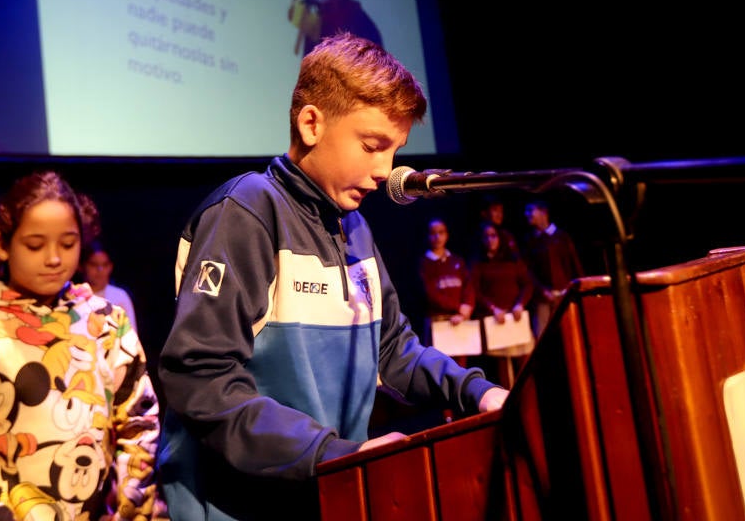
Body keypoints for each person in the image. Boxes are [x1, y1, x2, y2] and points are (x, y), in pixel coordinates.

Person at [156, 32, 508, 520]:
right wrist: (329, 455)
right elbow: (201, 379)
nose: (387, 170)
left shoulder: (354, 226)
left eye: (395, 150)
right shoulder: (248, 211)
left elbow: (393, 352)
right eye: (371, 145)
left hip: (330, 494)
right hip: (238, 507)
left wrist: (480, 392)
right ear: (311, 123)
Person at [0, 170, 166, 521]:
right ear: (2, 244)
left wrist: (126, 510)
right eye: (35, 245)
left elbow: (138, 424)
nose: (54, 258)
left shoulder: (106, 322)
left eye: (68, 244)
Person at [469, 221, 536, 390]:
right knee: (504, 374)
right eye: (486, 237)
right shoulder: (479, 263)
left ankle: (529, 414)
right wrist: (492, 308)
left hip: (516, 319)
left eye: (493, 236)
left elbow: (527, 284)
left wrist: (520, 304)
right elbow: (475, 290)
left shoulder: (512, 260)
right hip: (496, 321)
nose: (490, 240)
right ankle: (509, 413)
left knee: (525, 371)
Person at [521, 199, 585, 338]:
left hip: (564, 295)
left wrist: (573, 289)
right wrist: (542, 291)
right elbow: (528, 272)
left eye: (531, 210)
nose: (527, 214)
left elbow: (574, 264)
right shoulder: (530, 240)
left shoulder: (562, 237)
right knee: (542, 336)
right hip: (542, 299)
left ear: (544, 212)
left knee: (570, 335)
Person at [417, 217, 475, 367]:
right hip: (438, 322)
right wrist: (458, 307)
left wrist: (465, 309)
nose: (437, 237)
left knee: (461, 367)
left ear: (447, 235)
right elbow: (430, 293)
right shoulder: (425, 263)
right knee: (438, 366)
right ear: (428, 236)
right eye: (433, 233)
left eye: (441, 233)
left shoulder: (457, 261)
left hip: (460, 320)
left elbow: (468, 286)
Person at [81, 238, 140, 339]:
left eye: (104, 265)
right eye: (94, 264)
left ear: (111, 267)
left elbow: (131, 335)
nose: (100, 270)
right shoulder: (76, 296)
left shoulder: (120, 296)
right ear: (82, 267)